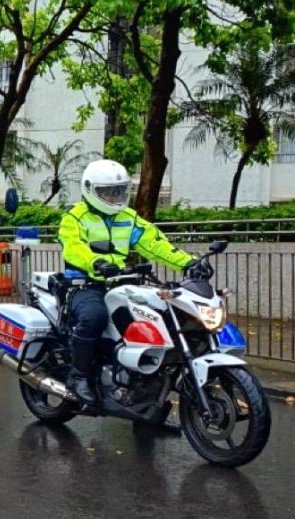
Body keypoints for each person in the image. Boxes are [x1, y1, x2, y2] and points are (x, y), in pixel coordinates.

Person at [58, 159, 205, 404]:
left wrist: (188, 263)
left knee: (154, 320)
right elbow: (73, 248)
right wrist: (96, 262)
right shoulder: (75, 218)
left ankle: (143, 386)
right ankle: (79, 375)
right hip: (85, 284)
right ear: (90, 190)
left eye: (119, 191)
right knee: (94, 317)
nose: (114, 197)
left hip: (122, 283)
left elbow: (155, 243)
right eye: (107, 192)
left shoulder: (129, 218)